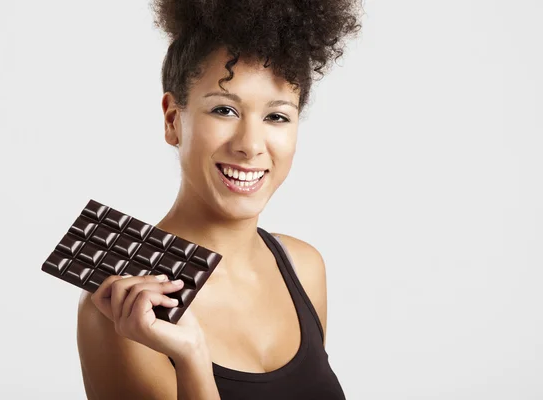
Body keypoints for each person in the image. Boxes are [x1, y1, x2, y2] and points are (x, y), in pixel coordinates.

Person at [76, 0, 362, 398]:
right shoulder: (121, 303)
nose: (250, 145)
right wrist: (192, 356)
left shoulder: (304, 266)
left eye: (277, 116)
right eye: (224, 109)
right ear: (173, 119)